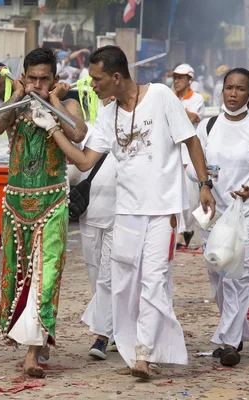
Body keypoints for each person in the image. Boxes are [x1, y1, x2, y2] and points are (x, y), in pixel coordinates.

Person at [46, 45, 215, 379]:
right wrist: (53, 129)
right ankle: (129, 344)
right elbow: (83, 160)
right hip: (125, 213)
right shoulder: (108, 115)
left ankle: (144, 354)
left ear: (116, 77)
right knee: (124, 285)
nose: (91, 85)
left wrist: (204, 184)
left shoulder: (162, 96)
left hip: (162, 211)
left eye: (96, 79)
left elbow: (191, 141)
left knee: (153, 280)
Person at [0, 48, 88, 377]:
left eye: (45, 79)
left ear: (55, 80)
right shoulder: (16, 103)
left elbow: (78, 133)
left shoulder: (66, 102)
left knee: (45, 277)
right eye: (33, 79)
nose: (38, 85)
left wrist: (54, 104)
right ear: (23, 76)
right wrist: (16, 95)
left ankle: (32, 353)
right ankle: (33, 339)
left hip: (53, 204)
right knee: (17, 276)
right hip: (15, 204)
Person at [187, 68, 249, 367]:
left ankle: (228, 342)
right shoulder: (208, 127)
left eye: (240, 89)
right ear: (221, 90)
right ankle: (235, 331)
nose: (233, 94)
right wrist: (204, 180)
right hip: (214, 209)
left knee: (238, 275)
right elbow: (192, 164)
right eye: (229, 88)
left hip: (245, 212)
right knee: (217, 271)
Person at [79, 96, 117, 360]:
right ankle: (112, 327)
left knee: (108, 276)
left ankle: (102, 336)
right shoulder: (88, 131)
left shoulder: (137, 131)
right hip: (89, 212)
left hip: (122, 214)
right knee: (95, 275)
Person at [174, 63, 205, 249]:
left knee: (191, 199)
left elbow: (192, 118)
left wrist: (175, 111)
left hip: (188, 154)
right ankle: (179, 232)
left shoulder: (197, 98)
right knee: (176, 195)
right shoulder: (171, 97)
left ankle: (188, 230)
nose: (176, 81)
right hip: (174, 153)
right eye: (175, 77)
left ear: (189, 79)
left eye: (181, 78)